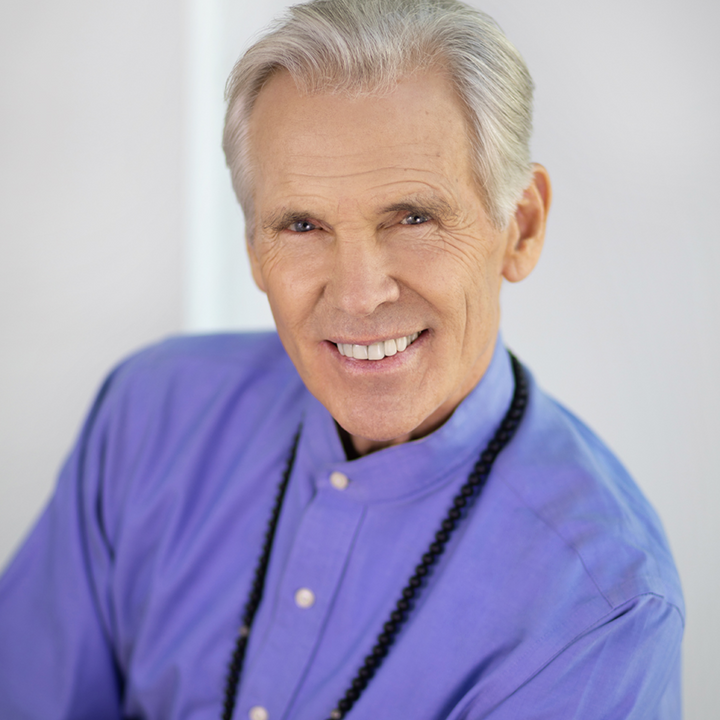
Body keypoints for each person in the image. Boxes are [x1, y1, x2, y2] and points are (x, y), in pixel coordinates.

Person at [0, 0, 683, 718]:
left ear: (521, 226)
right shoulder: (149, 417)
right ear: (254, 250)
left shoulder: (601, 608)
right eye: (302, 225)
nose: (358, 296)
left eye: (413, 217)